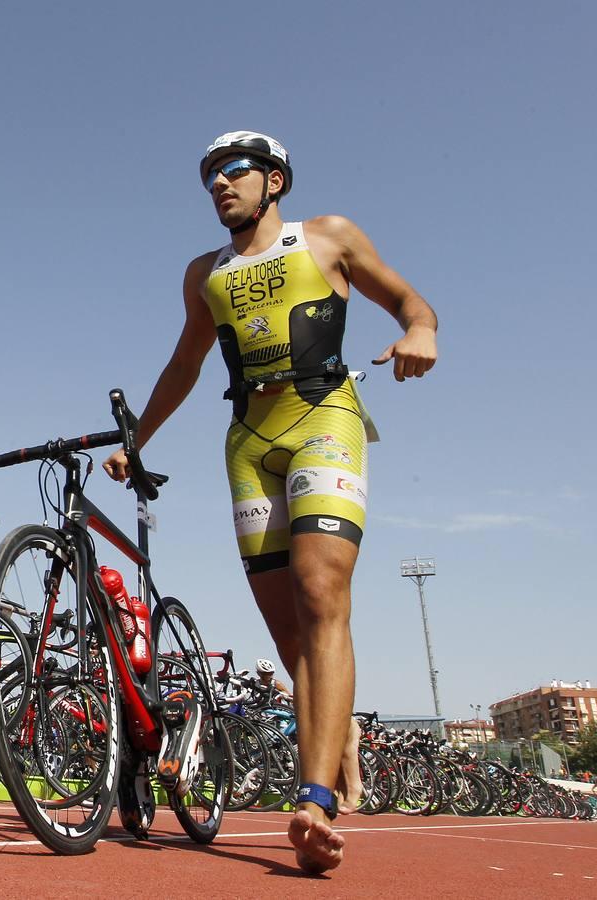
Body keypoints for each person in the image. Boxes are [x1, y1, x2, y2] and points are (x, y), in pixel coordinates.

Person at [104, 131, 438, 873]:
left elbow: (409, 301)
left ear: (274, 180)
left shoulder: (327, 236)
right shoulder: (203, 272)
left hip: (323, 417)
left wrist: (418, 329)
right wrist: (139, 442)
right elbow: (185, 362)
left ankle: (313, 799)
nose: (218, 185)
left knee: (322, 593)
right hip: (247, 440)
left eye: (232, 171)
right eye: (208, 178)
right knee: (287, 630)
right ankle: (335, 729)